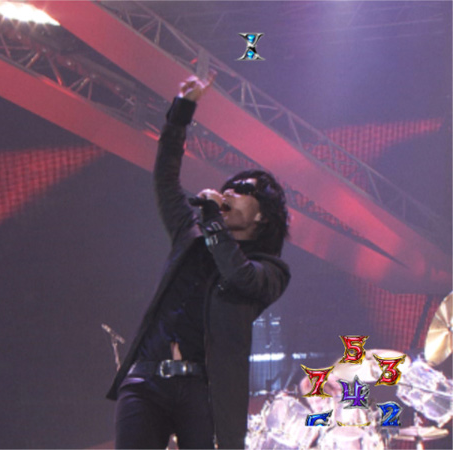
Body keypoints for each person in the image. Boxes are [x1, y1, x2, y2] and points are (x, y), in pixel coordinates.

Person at [107, 74, 291, 449]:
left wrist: (212, 220)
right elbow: (165, 178)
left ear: (262, 216)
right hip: (148, 378)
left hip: (205, 392)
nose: (230, 192)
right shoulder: (190, 233)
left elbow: (238, 275)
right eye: (229, 187)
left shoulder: (271, 272)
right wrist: (181, 112)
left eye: (243, 191)